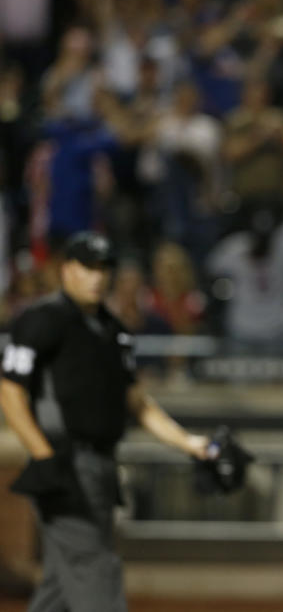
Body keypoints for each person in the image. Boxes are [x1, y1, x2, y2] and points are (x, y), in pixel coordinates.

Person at [0, 232, 213, 612]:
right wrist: (44, 455)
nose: (97, 276)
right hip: (62, 462)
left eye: (103, 268)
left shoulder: (113, 331)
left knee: (62, 585)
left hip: (100, 465)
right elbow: (9, 392)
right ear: (66, 270)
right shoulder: (40, 321)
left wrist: (189, 443)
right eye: (87, 267)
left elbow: (138, 403)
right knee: (96, 572)